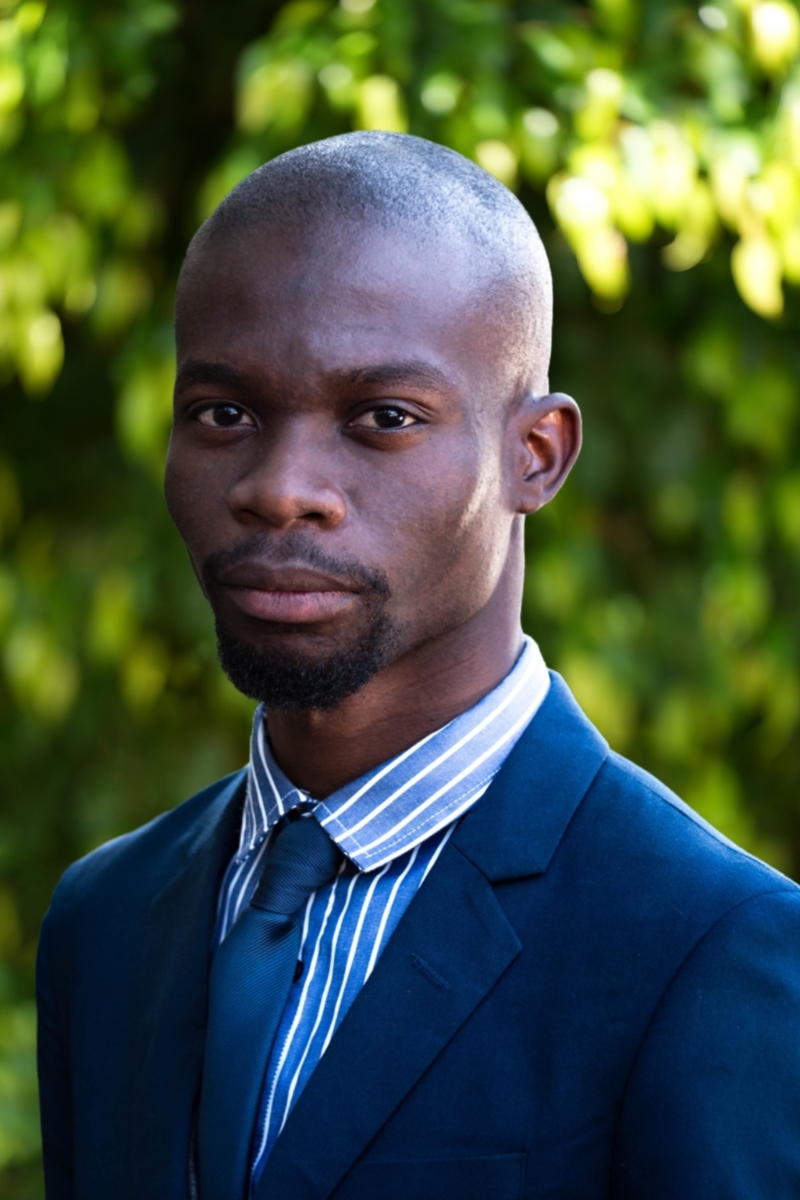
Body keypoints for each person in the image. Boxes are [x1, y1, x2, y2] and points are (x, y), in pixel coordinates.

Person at [36, 131, 800, 1200]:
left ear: (535, 456)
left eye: (382, 419)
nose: (279, 487)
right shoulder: (105, 920)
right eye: (224, 413)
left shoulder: (709, 946)